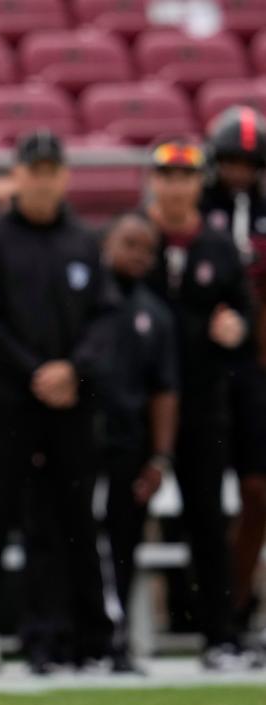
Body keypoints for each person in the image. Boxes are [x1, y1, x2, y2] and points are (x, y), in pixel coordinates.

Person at [0, 131, 118, 676]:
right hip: (9, 404)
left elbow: (106, 317)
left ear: (64, 176)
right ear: (17, 174)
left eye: (51, 169)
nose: (42, 179)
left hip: (70, 406)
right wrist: (34, 371)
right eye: (33, 169)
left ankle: (93, 642)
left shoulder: (85, 241)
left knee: (78, 524)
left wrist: (73, 370)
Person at [143, 137, 256, 669]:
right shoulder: (134, 237)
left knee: (208, 521)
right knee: (122, 516)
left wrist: (235, 328)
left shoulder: (216, 245)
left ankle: (221, 633)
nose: (175, 186)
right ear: (153, 182)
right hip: (139, 406)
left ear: (197, 183)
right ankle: (106, 637)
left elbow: (246, 315)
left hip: (203, 402)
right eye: (166, 176)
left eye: (185, 177)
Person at [98, 213, 178, 670]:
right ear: (108, 241)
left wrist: (160, 456)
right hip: (83, 443)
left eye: (146, 248)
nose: (137, 255)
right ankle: (70, 635)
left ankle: (117, 637)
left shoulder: (156, 314)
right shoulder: (85, 299)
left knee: (124, 542)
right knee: (70, 541)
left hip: (129, 445)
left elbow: (165, 390)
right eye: (128, 243)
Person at [200, 106, 266, 635]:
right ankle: (211, 608)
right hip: (202, 367)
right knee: (200, 492)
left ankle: (239, 603)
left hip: (255, 368)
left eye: (248, 162)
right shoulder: (198, 208)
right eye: (230, 161)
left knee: (256, 489)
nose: (239, 172)